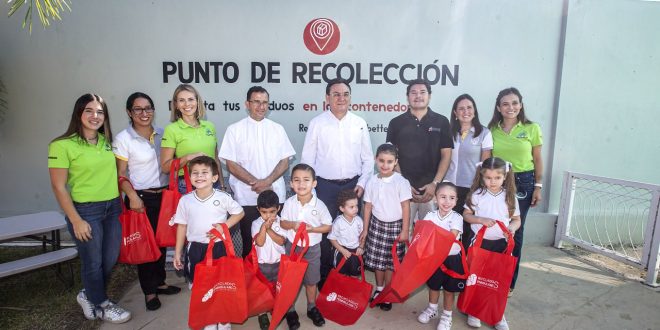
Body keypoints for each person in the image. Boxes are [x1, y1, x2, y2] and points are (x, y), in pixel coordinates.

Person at [48, 93, 131, 323]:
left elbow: (116, 174)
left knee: (110, 258)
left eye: (100, 112)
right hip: (86, 211)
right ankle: (102, 304)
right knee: (92, 262)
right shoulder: (62, 145)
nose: (95, 116)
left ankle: (88, 294)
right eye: (89, 111)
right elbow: (58, 186)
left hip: (112, 207)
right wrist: (75, 220)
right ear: (79, 113)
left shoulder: (106, 142)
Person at [301, 78, 374, 288]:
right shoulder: (317, 123)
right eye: (336, 94)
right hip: (324, 187)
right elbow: (308, 160)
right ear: (327, 98)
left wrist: (362, 182)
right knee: (326, 232)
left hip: (353, 186)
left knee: (350, 233)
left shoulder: (359, 123)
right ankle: (324, 278)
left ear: (350, 97)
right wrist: (310, 188)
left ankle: (347, 277)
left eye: (345, 94)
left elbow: (368, 159)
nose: (341, 98)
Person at [113, 92, 180, 312]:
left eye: (148, 108)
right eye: (138, 109)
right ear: (129, 112)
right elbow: (120, 174)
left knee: (161, 242)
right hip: (140, 198)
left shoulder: (163, 133)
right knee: (145, 246)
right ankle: (149, 291)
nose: (144, 113)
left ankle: (160, 282)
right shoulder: (124, 139)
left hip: (164, 196)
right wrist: (132, 196)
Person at [219, 86, 295, 258]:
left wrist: (267, 182)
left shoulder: (277, 129)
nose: (261, 107)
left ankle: (277, 282)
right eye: (256, 102)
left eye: (265, 103)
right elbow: (231, 164)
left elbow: (285, 162)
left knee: (277, 241)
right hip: (246, 198)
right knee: (250, 243)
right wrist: (258, 184)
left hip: (274, 197)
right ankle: (252, 282)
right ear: (247, 104)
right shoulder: (234, 130)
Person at [171, 156, 244, 330]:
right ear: (189, 177)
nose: (199, 176)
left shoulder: (223, 197)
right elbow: (181, 226)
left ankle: (224, 322)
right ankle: (209, 321)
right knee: (200, 287)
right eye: (195, 173)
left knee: (222, 285)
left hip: (219, 249)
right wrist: (177, 252)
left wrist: (223, 227)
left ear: (214, 177)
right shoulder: (185, 200)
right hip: (196, 249)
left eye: (205, 172)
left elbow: (239, 212)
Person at [487, 87, 543, 296]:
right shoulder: (492, 130)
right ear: (499, 107)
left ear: (520, 105)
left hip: (524, 182)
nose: (511, 107)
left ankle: (508, 282)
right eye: (505, 104)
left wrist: (538, 186)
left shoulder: (531, 128)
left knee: (515, 230)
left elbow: (537, 159)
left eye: (514, 103)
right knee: (495, 229)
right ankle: (490, 276)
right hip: (499, 182)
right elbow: (489, 160)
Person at [463, 157, 521, 330]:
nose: (492, 181)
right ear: (482, 176)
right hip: (479, 243)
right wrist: (480, 219)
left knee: (498, 280)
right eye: (488, 178)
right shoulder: (477, 195)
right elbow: (467, 215)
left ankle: (497, 314)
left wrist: (511, 228)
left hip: (501, 244)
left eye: (497, 177)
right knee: (477, 277)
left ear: (505, 176)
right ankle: (474, 310)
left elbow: (517, 220)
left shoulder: (510, 197)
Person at [386, 79, 453, 227]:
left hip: (432, 192)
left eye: (422, 92)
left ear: (429, 95)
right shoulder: (396, 123)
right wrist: (403, 185)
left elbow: (446, 156)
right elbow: (391, 157)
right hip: (403, 192)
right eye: (413, 93)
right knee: (402, 237)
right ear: (407, 96)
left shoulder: (441, 121)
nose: (418, 96)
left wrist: (435, 184)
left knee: (429, 238)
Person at [279, 164, 333, 329]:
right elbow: (282, 222)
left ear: (314, 183)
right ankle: (290, 310)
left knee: (311, 281)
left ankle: (311, 307)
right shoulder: (289, 203)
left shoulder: (320, 205)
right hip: (292, 249)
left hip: (312, 250)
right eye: (297, 180)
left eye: (306, 180)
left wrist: (312, 229)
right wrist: (293, 224)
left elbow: (328, 226)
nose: (301, 184)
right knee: (291, 282)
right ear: (291, 184)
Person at [361, 143, 412, 311]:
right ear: (376, 160)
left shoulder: (401, 182)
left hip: (395, 227)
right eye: (381, 161)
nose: (385, 165)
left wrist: (405, 230)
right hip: (376, 225)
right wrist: (365, 229)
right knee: (378, 261)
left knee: (390, 262)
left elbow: (406, 206)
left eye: (389, 161)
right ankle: (380, 289)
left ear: (395, 162)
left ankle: (388, 293)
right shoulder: (371, 181)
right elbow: (367, 207)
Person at [445, 94, 493, 246]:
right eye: (461, 108)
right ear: (455, 113)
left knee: (466, 230)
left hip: (472, 188)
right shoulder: (448, 132)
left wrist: (480, 187)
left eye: (469, 107)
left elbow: (486, 164)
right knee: (449, 228)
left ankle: (465, 265)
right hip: (449, 187)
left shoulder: (484, 133)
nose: (465, 111)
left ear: (474, 110)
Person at [417, 182, 465, 330]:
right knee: (433, 286)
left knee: (449, 290)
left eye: (451, 198)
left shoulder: (457, 218)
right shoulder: (430, 216)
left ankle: (446, 316)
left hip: (451, 259)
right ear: (435, 199)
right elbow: (424, 236)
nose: (447, 201)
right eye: (443, 197)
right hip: (433, 258)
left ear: (456, 201)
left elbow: (450, 238)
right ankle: (432, 309)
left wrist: (433, 237)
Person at [160, 83, 225, 192]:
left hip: (214, 183)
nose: (187, 104)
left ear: (197, 101)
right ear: (176, 104)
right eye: (181, 100)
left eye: (191, 99)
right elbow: (165, 168)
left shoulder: (209, 126)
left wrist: (222, 186)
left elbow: (216, 160)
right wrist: (188, 157)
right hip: (187, 185)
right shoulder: (171, 129)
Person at [250, 190, 286, 330]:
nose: (268, 215)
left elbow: (282, 241)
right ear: (258, 210)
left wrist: (269, 229)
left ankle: (276, 308)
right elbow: (259, 242)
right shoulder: (255, 223)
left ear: (278, 208)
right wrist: (263, 228)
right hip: (262, 264)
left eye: (272, 211)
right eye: (264, 212)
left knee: (278, 288)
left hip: (279, 263)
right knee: (261, 290)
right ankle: (262, 313)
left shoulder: (281, 222)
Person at [328, 189, 364, 277]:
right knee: (340, 275)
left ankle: (352, 290)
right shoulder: (338, 222)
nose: (355, 209)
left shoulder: (359, 220)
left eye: (356, 206)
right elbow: (332, 239)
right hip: (341, 251)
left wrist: (361, 247)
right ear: (342, 208)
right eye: (351, 207)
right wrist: (342, 250)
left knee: (355, 275)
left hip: (356, 251)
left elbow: (363, 236)